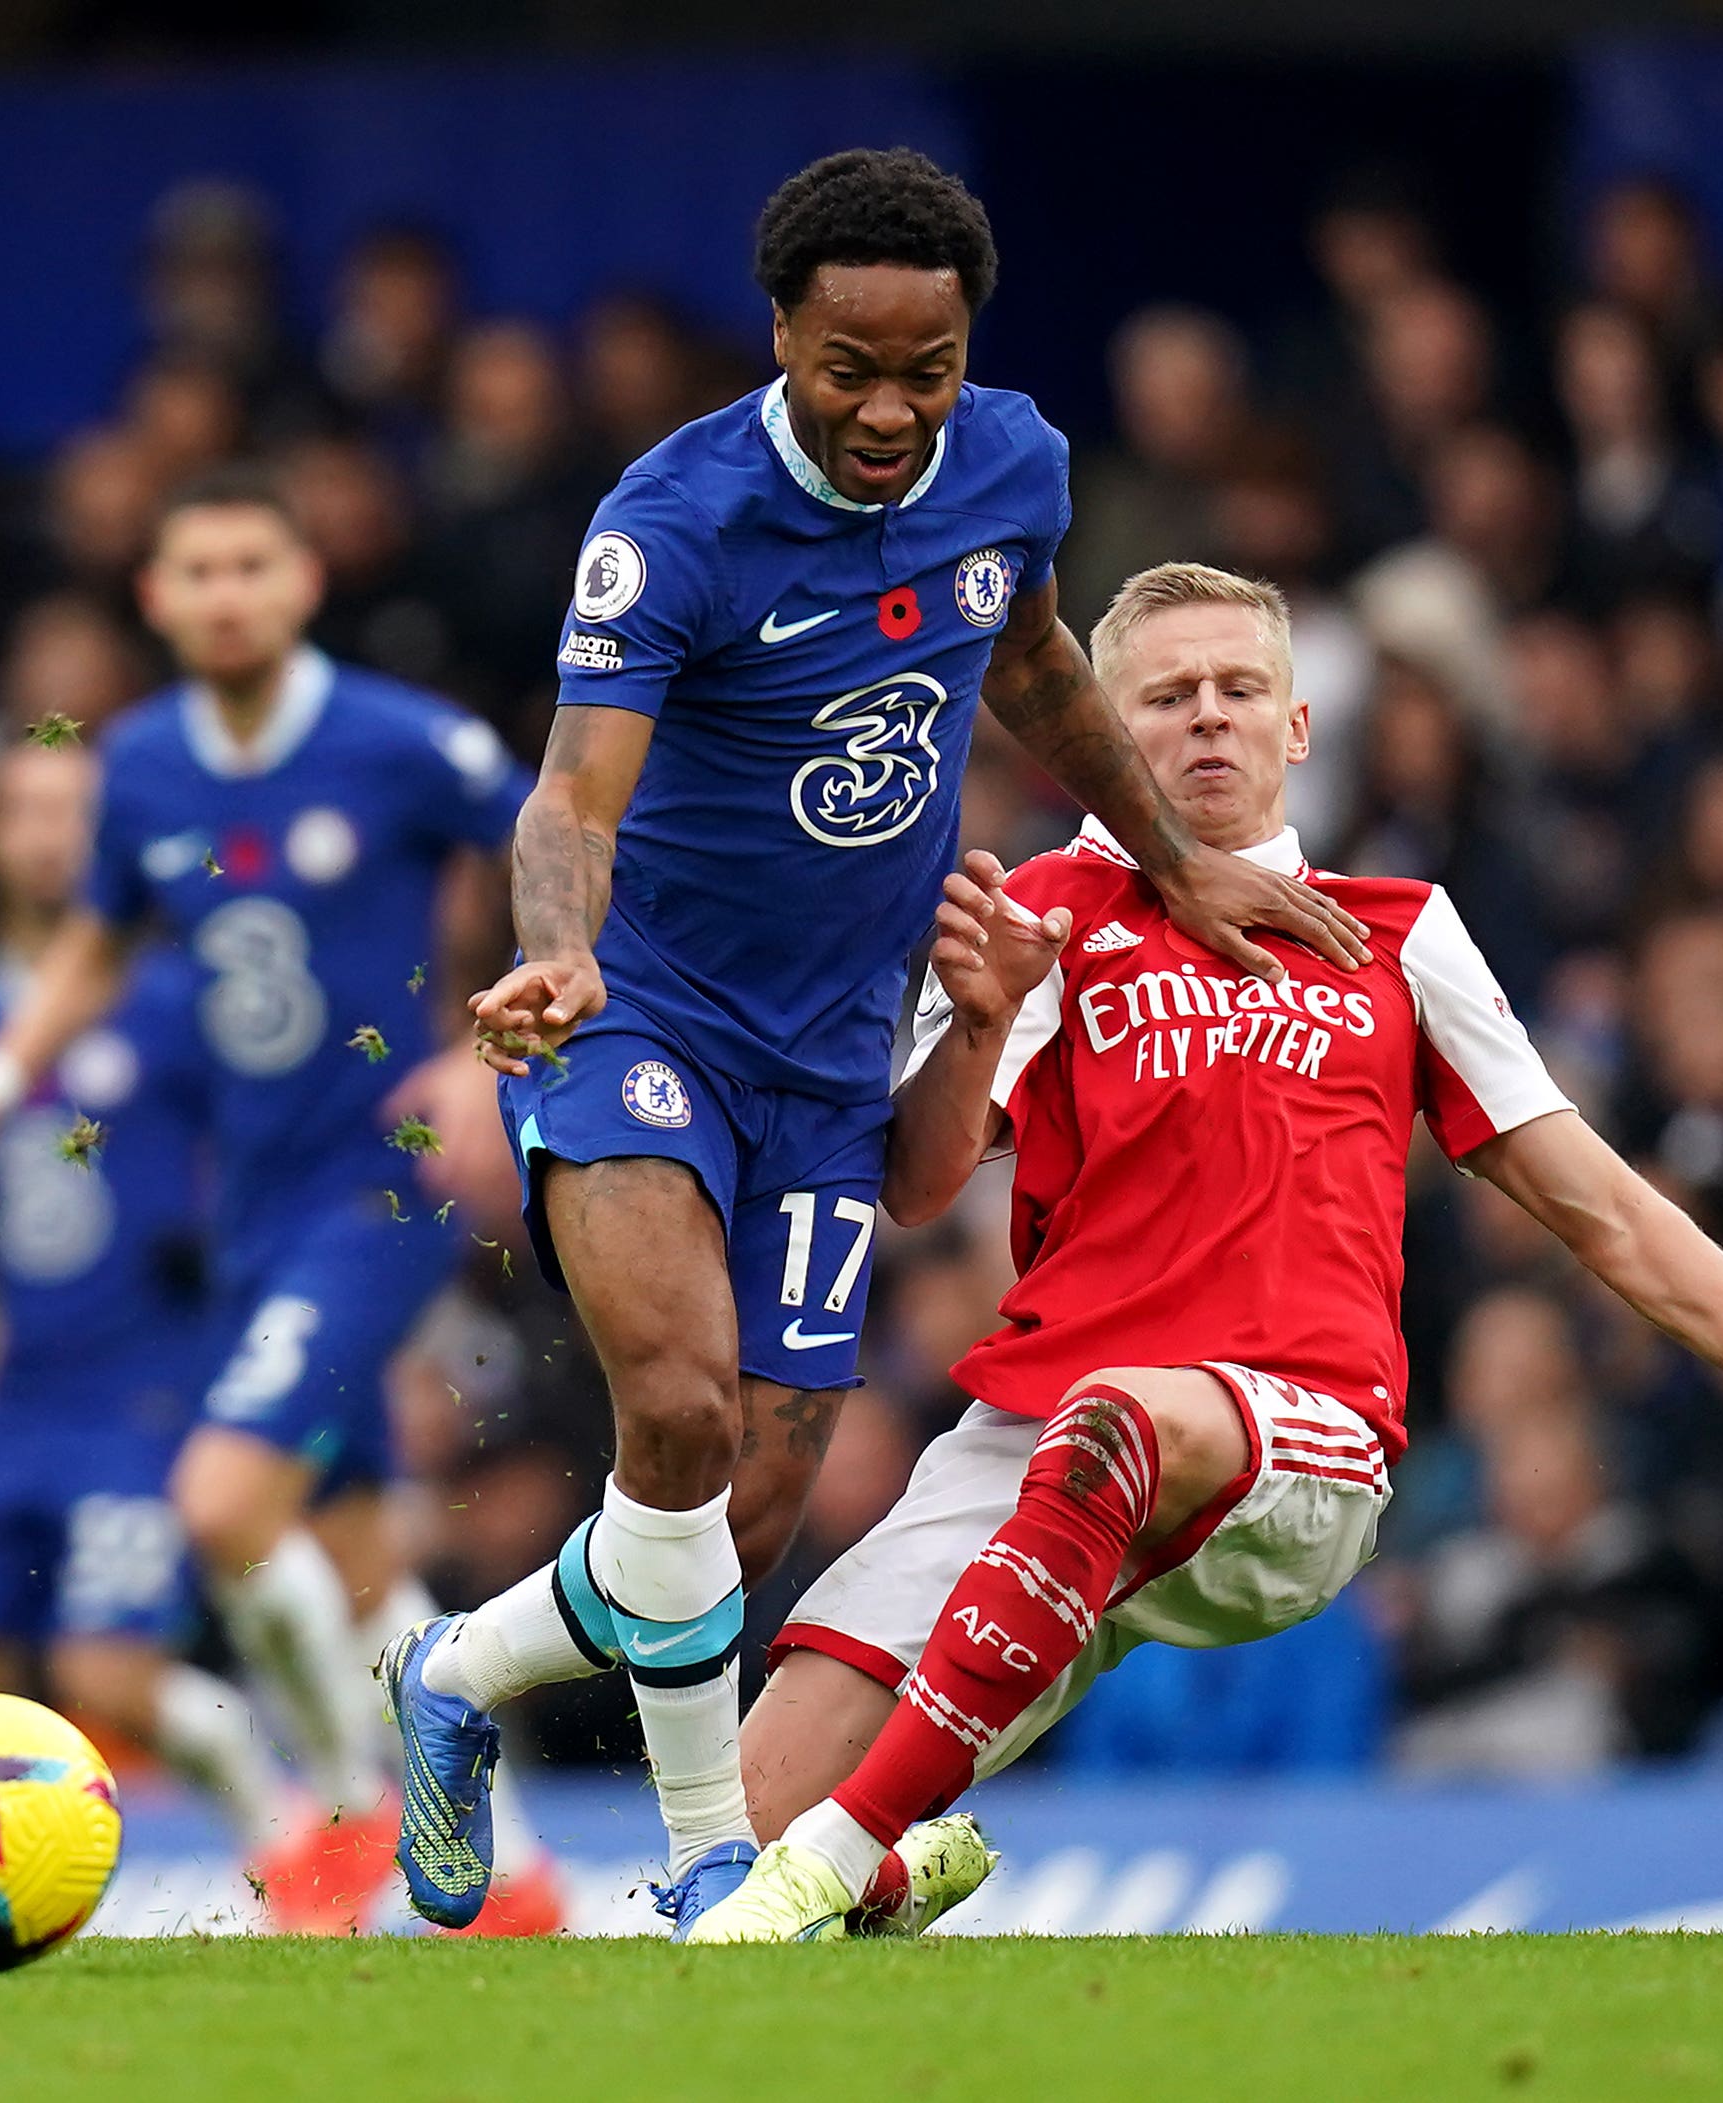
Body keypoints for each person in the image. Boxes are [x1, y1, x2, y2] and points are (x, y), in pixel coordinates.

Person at [684, 562, 1723, 1941]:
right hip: (1040, 1421)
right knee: (734, 1835)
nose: (1207, 718)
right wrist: (974, 1022)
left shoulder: (1400, 931)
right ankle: (879, 1870)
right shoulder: (1047, 910)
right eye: (1164, 696)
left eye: (1237, 689)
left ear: (1298, 725)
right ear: (1102, 726)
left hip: (1294, 1431)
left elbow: (1599, 1204)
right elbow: (916, 1185)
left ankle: (841, 1851)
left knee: (1108, 1433)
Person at [380, 150, 1366, 1936]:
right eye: (850, 367)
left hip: (834, 1055)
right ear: (780, 338)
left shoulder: (1013, 461)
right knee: (673, 1403)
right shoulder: (667, 520)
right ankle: (698, 1867)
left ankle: (453, 1670)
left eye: (927, 366)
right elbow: (564, 800)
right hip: (644, 1008)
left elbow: (1044, 667)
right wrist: (553, 959)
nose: (892, 408)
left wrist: (1185, 868)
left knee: (744, 1509)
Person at [0, 468, 543, 1931]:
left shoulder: (397, 739)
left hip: (374, 1181)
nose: (228, 592)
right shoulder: (135, 765)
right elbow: (93, 950)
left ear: (304, 580)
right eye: (200, 569)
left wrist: (474, 1048)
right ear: (156, 596)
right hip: (256, 1208)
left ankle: (350, 1809)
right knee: (366, 1569)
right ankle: (523, 1875)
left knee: (224, 1499)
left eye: (255, 563)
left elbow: (558, 842)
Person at [0, 741, 336, 1909]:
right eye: (18, 809)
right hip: (17, 1395)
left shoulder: (176, 1004)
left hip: (147, 1391)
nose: (42, 836)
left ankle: (284, 1831)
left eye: (68, 812)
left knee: (103, 1670)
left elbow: (267, 1155)